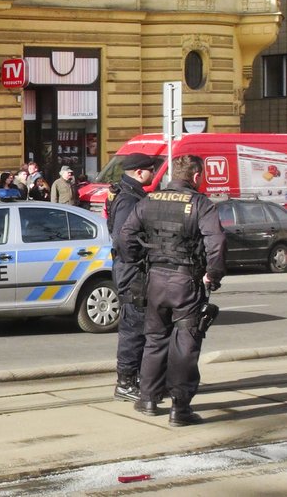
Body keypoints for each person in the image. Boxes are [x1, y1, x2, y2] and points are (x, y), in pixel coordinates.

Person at [119, 155, 226, 427]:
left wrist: (136, 262)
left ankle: (148, 399)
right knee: (185, 343)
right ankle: (180, 407)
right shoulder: (200, 204)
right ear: (197, 176)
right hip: (186, 282)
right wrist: (213, 274)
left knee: (155, 339)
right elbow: (216, 242)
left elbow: (125, 236)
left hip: (154, 280)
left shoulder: (149, 200)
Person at [107, 153, 156, 403]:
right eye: (151, 170)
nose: (154, 174)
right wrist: (141, 257)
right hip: (132, 271)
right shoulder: (129, 198)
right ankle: (125, 383)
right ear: (139, 172)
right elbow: (122, 238)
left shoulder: (128, 193)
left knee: (139, 325)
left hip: (130, 268)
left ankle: (135, 379)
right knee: (133, 327)